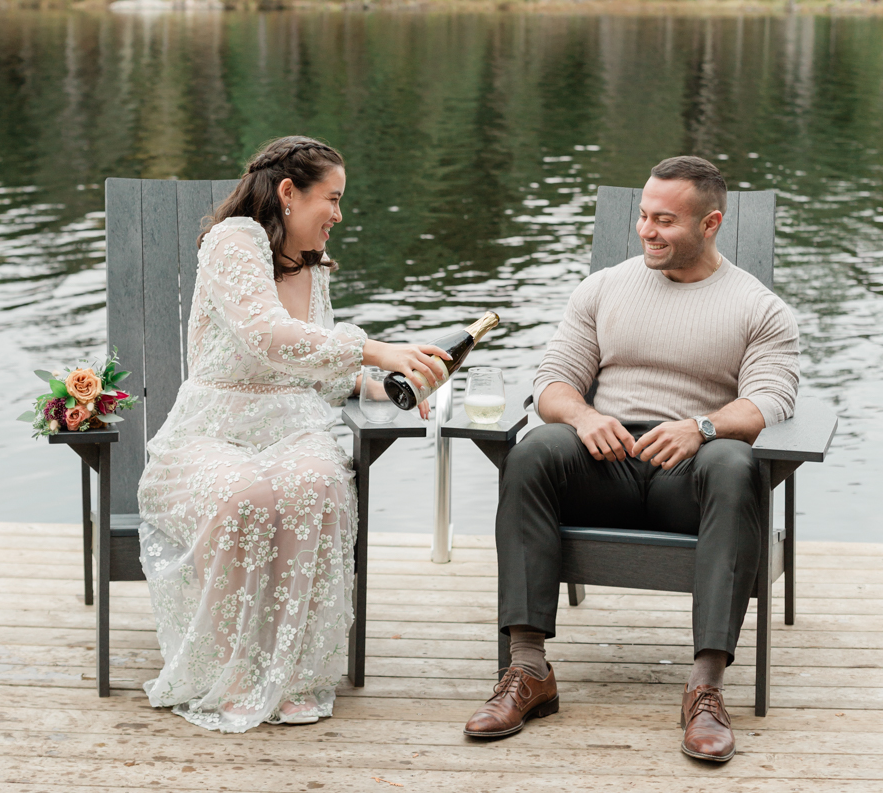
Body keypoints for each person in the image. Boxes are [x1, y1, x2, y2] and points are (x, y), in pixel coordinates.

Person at [463, 156, 799, 763]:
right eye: (643, 216)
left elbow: (770, 399)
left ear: (711, 223)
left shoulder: (759, 308)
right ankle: (529, 670)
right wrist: (585, 417)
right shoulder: (604, 287)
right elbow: (552, 383)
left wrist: (702, 427)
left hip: (691, 474)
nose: (646, 230)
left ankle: (705, 689)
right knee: (534, 449)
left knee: (737, 465)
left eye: (665, 220)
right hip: (606, 458)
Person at [138, 136, 448, 733]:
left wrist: (390, 383)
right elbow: (267, 335)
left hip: (294, 424)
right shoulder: (233, 243)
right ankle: (232, 674)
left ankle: (296, 676)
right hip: (213, 428)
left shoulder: (312, 266)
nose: (338, 213)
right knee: (243, 497)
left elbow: (318, 370)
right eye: (331, 199)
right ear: (287, 193)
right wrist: (376, 345)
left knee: (317, 486)